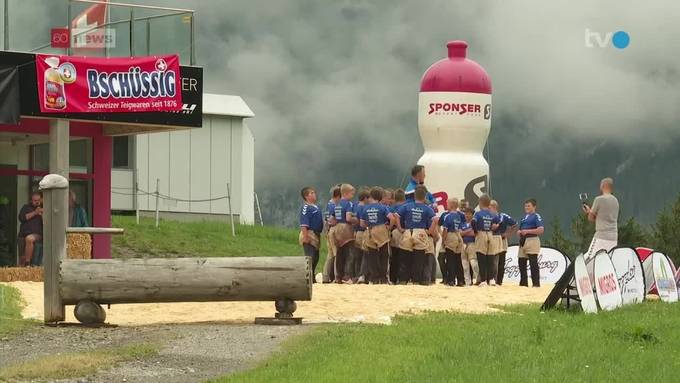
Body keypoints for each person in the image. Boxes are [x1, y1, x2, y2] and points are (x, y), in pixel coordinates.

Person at [395, 185, 437, 285]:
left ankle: (403, 280)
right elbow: (435, 220)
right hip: (421, 233)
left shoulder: (406, 206)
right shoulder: (427, 209)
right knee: (419, 259)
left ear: (414, 196)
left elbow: (396, 215)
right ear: (425, 197)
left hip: (408, 231)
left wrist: (400, 228)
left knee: (405, 257)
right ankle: (416, 280)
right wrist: (430, 231)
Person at [360, 187, 395, 284]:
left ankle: (374, 278)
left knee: (372, 255)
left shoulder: (365, 208)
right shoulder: (383, 207)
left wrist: (369, 224)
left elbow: (362, 224)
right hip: (381, 229)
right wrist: (389, 227)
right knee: (384, 255)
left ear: (371, 197)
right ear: (380, 197)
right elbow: (392, 218)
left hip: (370, 230)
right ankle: (383, 278)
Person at [583, 177, 619, 260]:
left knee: (588, 259)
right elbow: (604, 218)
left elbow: (590, 218)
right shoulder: (616, 201)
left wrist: (588, 212)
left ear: (602, 186)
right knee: (606, 260)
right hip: (613, 237)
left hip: (601, 236)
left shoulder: (599, 199)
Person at [472, 194, 500, 286]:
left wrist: (475, 231)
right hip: (490, 234)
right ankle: (491, 279)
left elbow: (473, 222)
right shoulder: (492, 213)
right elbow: (497, 220)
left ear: (480, 203)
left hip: (481, 234)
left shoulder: (478, 213)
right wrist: (492, 226)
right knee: (490, 257)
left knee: (481, 257)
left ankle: (483, 280)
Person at [299, 187, 324, 281]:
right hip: (309, 233)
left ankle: (312, 275)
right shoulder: (306, 207)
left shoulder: (315, 206)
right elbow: (303, 223)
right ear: (306, 196)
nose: (314, 194)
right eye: (312, 193)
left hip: (316, 234)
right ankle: (307, 277)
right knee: (310, 257)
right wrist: (305, 236)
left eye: (314, 192)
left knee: (316, 257)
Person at [518, 198, 544, 287]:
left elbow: (541, 230)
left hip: (532, 240)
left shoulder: (536, 216)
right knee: (521, 262)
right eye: (525, 206)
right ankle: (523, 283)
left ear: (534, 207)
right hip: (523, 241)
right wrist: (520, 232)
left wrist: (528, 231)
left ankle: (536, 284)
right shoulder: (524, 217)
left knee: (533, 262)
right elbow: (521, 228)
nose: (526, 207)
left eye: (529, 206)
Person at [489, 200, 517, 286]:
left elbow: (515, 224)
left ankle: (499, 281)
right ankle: (491, 279)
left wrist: (508, 234)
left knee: (501, 261)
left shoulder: (503, 216)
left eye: (489, 208)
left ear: (494, 207)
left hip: (502, 239)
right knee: (491, 261)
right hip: (491, 239)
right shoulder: (488, 217)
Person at [333, 184, 356, 283]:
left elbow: (332, 219)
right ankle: (347, 276)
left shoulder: (337, 204)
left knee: (339, 253)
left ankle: (338, 276)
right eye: (351, 194)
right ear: (346, 193)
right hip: (346, 228)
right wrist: (356, 220)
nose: (352, 196)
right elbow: (348, 218)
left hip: (337, 227)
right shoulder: (348, 204)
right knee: (349, 253)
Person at [441, 198, 465, 286]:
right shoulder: (459, 216)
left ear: (451, 206)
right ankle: (461, 280)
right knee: (458, 259)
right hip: (458, 236)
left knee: (450, 259)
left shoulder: (448, 216)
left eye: (447, 203)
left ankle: (451, 280)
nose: (446, 205)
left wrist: (443, 241)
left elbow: (445, 230)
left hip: (451, 236)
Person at [322, 185, 341, 283]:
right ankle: (335, 276)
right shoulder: (333, 206)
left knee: (330, 254)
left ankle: (326, 276)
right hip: (332, 230)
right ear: (338, 196)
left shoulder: (329, 204)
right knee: (335, 254)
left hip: (328, 230)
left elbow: (325, 219)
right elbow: (331, 220)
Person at [18, 192, 43, 266]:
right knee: (21, 258)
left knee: (29, 239)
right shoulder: (26, 207)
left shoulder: (44, 208)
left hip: (37, 234)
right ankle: (23, 268)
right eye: (35, 200)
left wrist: (42, 213)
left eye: (38, 200)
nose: (37, 202)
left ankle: (27, 262)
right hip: (23, 235)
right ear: (31, 200)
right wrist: (35, 213)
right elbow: (22, 218)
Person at [352, 188, 370, 284]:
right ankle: (362, 275)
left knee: (357, 256)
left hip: (357, 232)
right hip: (363, 232)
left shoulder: (356, 206)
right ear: (365, 198)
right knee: (365, 254)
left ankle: (356, 275)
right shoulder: (364, 208)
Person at [389, 189, 406, 284]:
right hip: (404, 232)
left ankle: (393, 278)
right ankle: (403, 278)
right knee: (404, 256)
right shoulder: (406, 207)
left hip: (395, 232)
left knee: (394, 256)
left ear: (395, 198)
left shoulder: (392, 208)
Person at [460, 208, 479, 286]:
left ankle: (478, 279)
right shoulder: (462, 224)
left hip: (472, 244)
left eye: (469, 213)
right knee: (465, 265)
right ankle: (468, 282)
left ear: (472, 214)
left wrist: (465, 233)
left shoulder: (474, 223)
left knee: (473, 263)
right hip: (463, 244)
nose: (467, 215)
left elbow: (474, 234)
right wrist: (469, 230)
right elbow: (460, 233)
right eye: (466, 213)